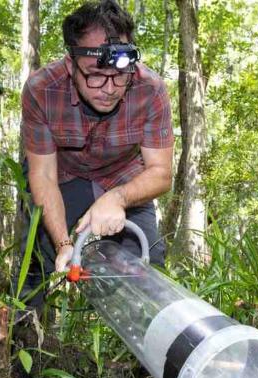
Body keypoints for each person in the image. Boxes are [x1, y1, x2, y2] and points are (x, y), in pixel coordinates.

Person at [16, 0, 174, 313]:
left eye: (119, 76)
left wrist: (117, 198)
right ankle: (27, 348)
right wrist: (63, 244)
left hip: (124, 176)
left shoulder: (150, 89)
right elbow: (42, 176)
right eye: (95, 76)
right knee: (38, 265)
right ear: (71, 63)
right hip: (62, 175)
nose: (110, 88)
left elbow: (160, 172)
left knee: (148, 264)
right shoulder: (42, 89)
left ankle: (137, 357)